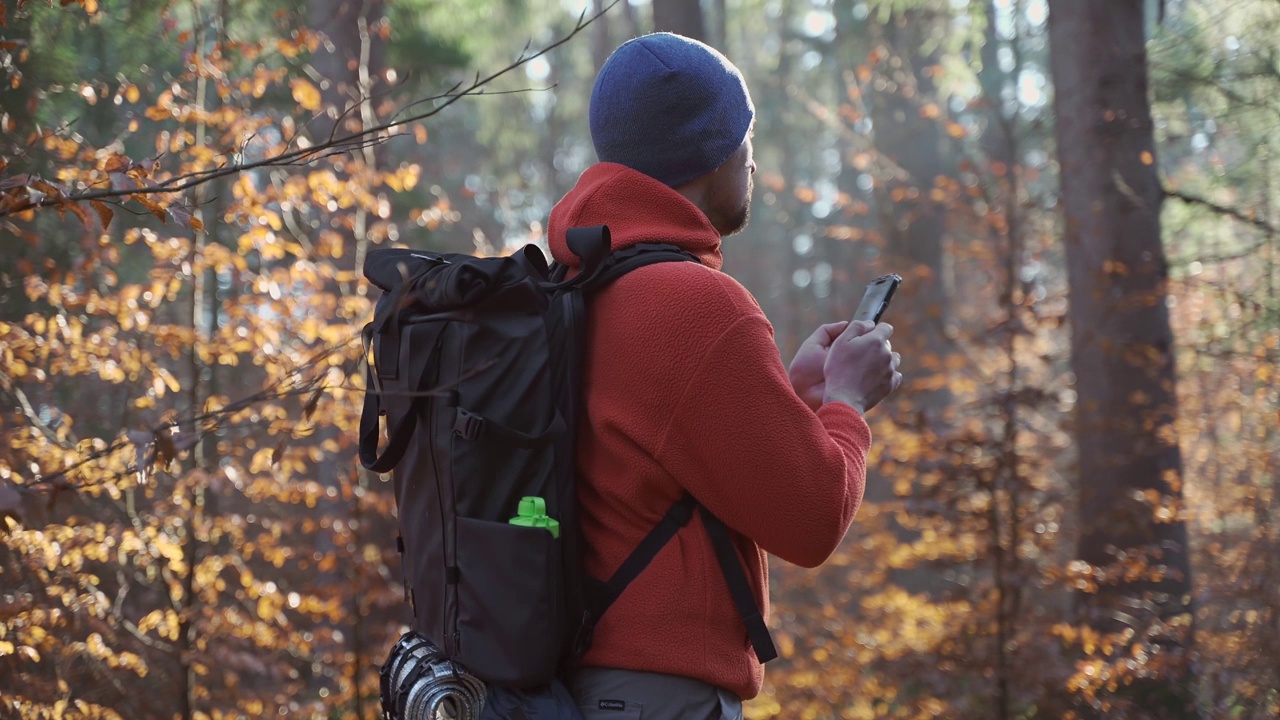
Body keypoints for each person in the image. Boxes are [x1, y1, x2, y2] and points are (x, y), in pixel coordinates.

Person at [546, 32, 902, 720]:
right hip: (662, 698)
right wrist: (850, 403)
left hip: (573, 687)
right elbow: (811, 520)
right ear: (711, 150)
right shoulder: (697, 307)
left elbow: (659, 458)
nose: (754, 159)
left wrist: (795, 397)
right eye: (746, 136)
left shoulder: (578, 281)